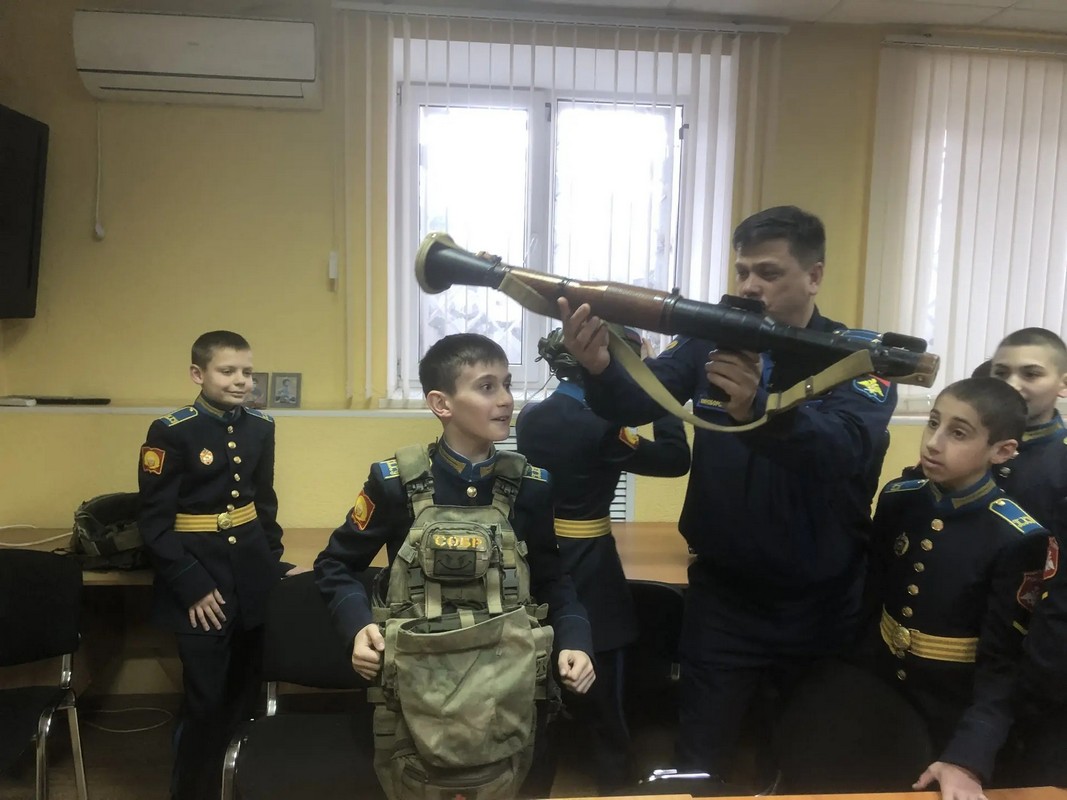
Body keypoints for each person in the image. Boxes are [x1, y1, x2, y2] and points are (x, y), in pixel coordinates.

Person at [558, 205, 897, 785]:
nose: (749, 286)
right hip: (724, 601)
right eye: (742, 271)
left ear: (814, 276)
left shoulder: (856, 358)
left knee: (811, 758)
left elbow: (845, 449)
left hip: (820, 606)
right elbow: (639, 401)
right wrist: (600, 368)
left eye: (769, 272)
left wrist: (758, 411)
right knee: (700, 759)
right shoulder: (709, 341)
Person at [314, 332, 595, 796]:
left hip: (511, 691)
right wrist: (357, 627)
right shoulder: (394, 483)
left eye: (507, 384)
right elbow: (335, 565)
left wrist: (576, 640)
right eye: (486, 387)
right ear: (441, 403)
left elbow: (552, 579)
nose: (505, 400)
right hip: (418, 694)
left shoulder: (531, 486)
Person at [844, 377, 1047, 800]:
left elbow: (1002, 665)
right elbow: (871, 600)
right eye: (933, 423)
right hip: (881, 689)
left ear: (1002, 451)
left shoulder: (1015, 537)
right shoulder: (899, 499)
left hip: (953, 711)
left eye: (958, 433)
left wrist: (967, 757)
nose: (933, 443)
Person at [515, 325, 691, 792]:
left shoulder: (530, 417)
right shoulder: (604, 427)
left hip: (537, 559)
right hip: (590, 565)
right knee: (605, 693)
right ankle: (615, 782)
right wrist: (658, 391)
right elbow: (675, 459)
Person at [137, 330, 300, 800]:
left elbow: (263, 503)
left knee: (247, 693)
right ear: (198, 374)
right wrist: (190, 584)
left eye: (246, 371)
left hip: (250, 576)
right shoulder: (171, 431)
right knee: (206, 702)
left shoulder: (261, 426)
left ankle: (241, 783)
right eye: (227, 371)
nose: (240, 380)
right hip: (197, 579)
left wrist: (270, 562)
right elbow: (154, 522)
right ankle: (194, 790)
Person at [986, 328, 1067, 787]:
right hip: (970, 645)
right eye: (1001, 373)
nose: (1013, 383)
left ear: (1062, 384)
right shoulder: (971, 447)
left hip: (1042, 657)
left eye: (1031, 373)